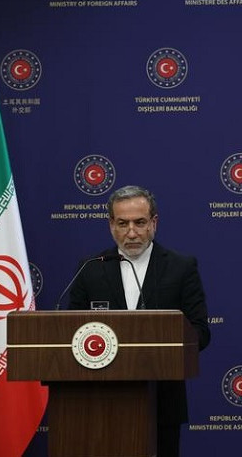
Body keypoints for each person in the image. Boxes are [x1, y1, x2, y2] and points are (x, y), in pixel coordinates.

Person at [68, 185, 211, 457]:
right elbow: (71, 332)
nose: (131, 232)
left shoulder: (180, 267)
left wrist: (157, 346)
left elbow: (200, 333)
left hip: (162, 402)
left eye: (140, 223)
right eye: (123, 223)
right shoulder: (90, 269)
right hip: (100, 402)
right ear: (111, 225)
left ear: (154, 223)